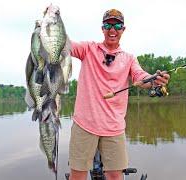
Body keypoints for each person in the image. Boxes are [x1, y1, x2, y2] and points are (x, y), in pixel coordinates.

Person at [68, 9, 170, 180]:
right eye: (108, 25)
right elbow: (65, 45)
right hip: (84, 124)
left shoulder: (129, 58)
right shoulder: (88, 49)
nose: (112, 29)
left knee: (116, 176)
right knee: (77, 175)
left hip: (114, 127)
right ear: (102, 28)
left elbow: (140, 76)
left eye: (117, 25)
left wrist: (154, 80)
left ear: (123, 29)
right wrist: (49, 27)